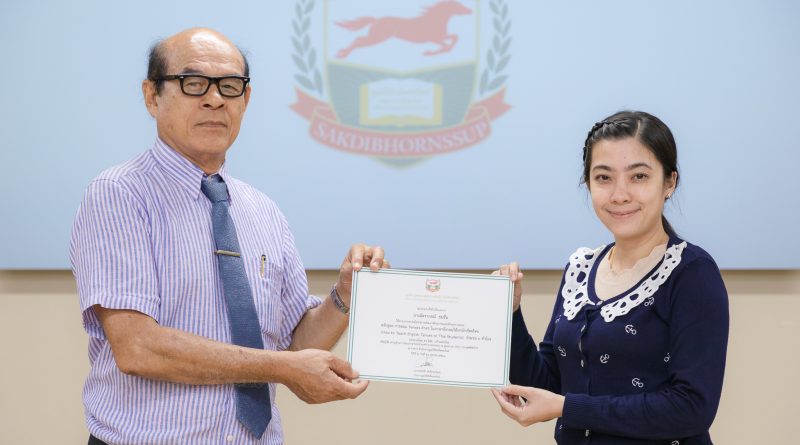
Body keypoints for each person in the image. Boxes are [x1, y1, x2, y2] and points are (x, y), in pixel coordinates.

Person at [70, 28, 387, 445]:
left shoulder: (263, 211)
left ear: (246, 99)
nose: (215, 99)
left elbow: (294, 346)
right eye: (194, 83)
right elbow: (138, 347)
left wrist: (345, 295)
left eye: (230, 86)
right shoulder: (119, 195)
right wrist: (282, 368)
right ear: (152, 96)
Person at [490, 111, 729, 444]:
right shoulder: (580, 268)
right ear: (588, 184)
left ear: (669, 182)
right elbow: (547, 386)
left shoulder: (691, 273)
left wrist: (568, 408)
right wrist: (510, 313)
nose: (619, 194)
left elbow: (691, 408)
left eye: (639, 176)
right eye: (603, 177)